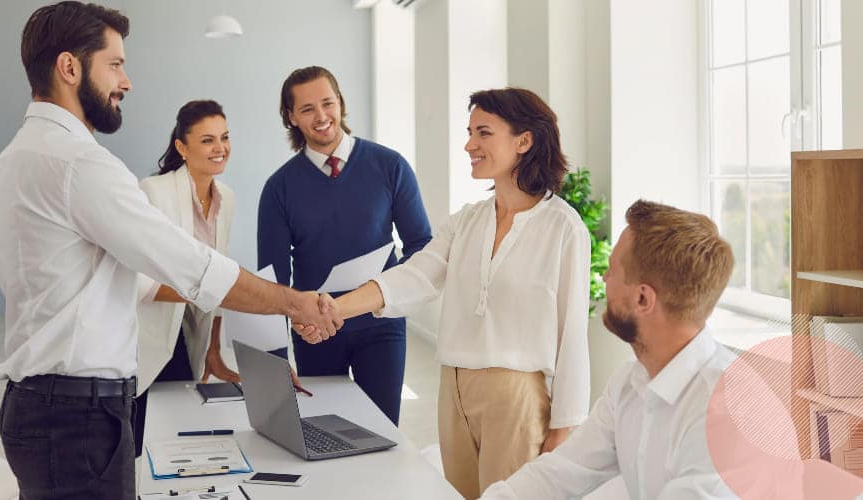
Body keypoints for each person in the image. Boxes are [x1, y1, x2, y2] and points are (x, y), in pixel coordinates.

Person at [0, 3, 339, 498]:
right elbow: (192, 265)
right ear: (69, 67)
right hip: (77, 418)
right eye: (115, 64)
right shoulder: (80, 165)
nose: (125, 82)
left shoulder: (10, 162)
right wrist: (295, 302)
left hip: (36, 405)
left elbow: (131, 279)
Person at [307, 87, 592, 499]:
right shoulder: (468, 220)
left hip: (516, 395)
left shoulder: (563, 228)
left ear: (524, 141)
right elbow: (414, 276)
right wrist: (334, 307)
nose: (469, 144)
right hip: (454, 386)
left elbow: (573, 334)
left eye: (483, 133)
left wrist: (564, 428)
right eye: (469, 131)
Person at [479, 200, 739, 499]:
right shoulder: (630, 382)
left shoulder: (727, 412)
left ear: (643, 299)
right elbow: (563, 471)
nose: (604, 278)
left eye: (613, 270)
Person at [257, 66, 432, 425]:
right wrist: (275, 358)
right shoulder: (279, 189)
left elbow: (421, 247)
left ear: (341, 104)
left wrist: (394, 296)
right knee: (326, 430)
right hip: (315, 332)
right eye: (307, 109)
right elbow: (272, 280)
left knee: (382, 432)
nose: (321, 116)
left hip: (381, 326)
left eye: (328, 103)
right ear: (291, 117)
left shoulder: (390, 166)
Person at [132, 100, 295, 456]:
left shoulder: (227, 198)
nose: (220, 148)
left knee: (178, 437)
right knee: (146, 439)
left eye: (224, 137)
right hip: (152, 337)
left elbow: (217, 271)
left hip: (192, 335)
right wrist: (210, 293)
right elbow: (140, 283)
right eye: (207, 140)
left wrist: (212, 350)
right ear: (181, 146)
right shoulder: (154, 192)